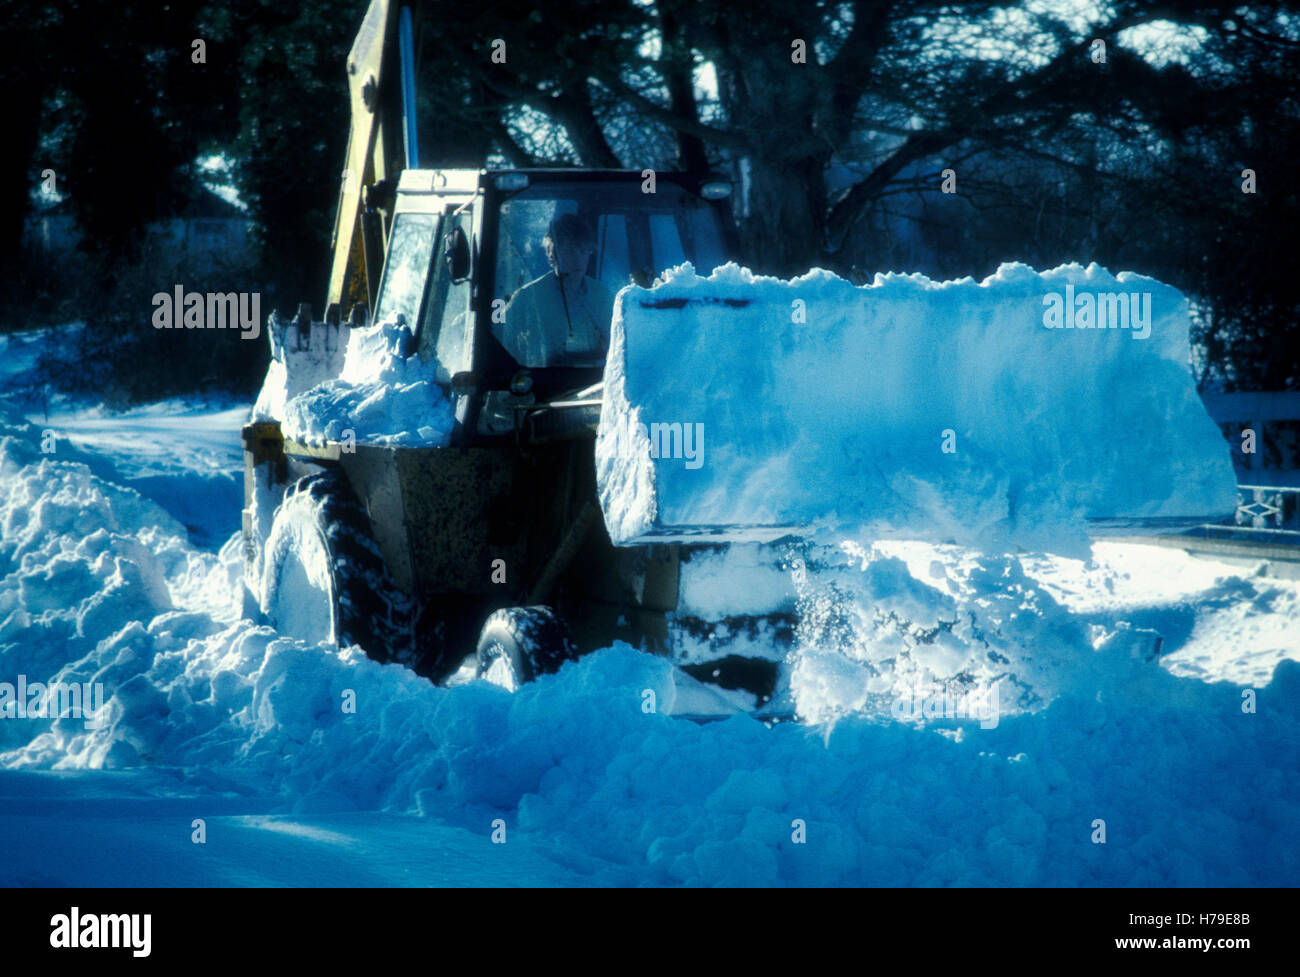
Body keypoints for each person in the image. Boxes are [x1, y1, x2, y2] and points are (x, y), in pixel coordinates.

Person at [498, 213, 615, 367]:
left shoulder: (604, 296)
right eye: (570, 250)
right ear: (550, 253)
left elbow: (618, 346)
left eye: (583, 250)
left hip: (595, 385)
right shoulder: (527, 298)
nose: (578, 258)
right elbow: (501, 340)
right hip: (546, 385)